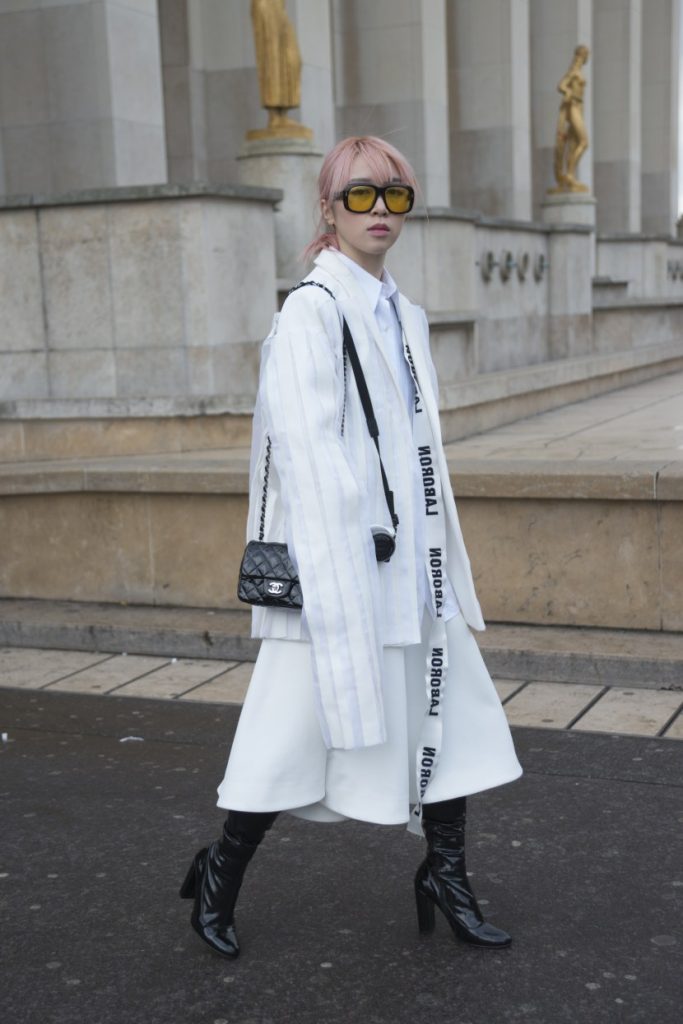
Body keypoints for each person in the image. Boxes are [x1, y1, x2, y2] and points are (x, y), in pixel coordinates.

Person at [180, 135, 522, 959]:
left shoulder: (402, 313)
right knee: (288, 735)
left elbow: (418, 452)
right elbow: (304, 454)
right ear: (326, 209)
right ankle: (218, 874)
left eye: (395, 197)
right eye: (361, 196)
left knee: (453, 722)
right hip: (341, 577)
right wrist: (344, 591)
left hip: (414, 570)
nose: (380, 212)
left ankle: (445, 873)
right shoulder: (309, 312)